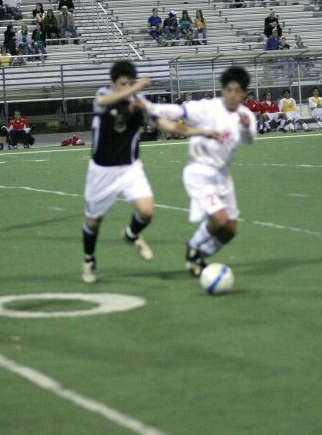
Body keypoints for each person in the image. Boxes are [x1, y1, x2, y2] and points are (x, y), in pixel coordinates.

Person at [81, 60, 220, 284]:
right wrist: (135, 89)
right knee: (93, 222)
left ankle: (131, 235)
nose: (126, 88)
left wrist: (203, 131)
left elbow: (170, 126)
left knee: (146, 212)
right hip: (102, 171)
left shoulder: (140, 104)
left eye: (129, 83)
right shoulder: (104, 96)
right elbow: (103, 101)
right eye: (121, 84)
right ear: (113, 83)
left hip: (130, 167)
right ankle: (89, 260)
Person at [145, 66, 256, 277]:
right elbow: (178, 112)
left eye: (238, 91)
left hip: (222, 175)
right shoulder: (208, 108)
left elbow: (250, 139)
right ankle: (193, 247)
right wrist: (150, 107)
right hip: (199, 172)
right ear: (223, 90)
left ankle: (198, 255)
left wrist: (245, 126)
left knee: (229, 230)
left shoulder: (245, 115)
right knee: (219, 220)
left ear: (243, 93)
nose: (233, 94)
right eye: (229, 90)